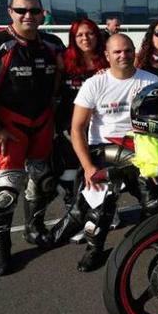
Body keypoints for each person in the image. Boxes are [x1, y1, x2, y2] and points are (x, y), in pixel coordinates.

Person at [0, 0, 64, 276]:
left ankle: (34, 228)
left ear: (43, 14)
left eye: (34, 11)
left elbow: (61, 84)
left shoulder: (52, 45)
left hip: (42, 121)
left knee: (42, 182)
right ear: (10, 12)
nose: (28, 16)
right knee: (7, 189)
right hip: (8, 126)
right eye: (21, 10)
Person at [64, 34, 158, 271]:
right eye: (117, 52)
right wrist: (88, 167)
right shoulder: (94, 84)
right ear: (107, 55)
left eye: (128, 50)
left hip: (141, 149)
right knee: (100, 207)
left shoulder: (151, 81)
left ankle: (145, 239)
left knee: (156, 202)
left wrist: (156, 161)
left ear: (134, 52)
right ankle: (94, 248)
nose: (123, 55)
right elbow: (77, 128)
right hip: (102, 150)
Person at [54, 19, 107, 211]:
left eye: (90, 33)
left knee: (98, 168)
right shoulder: (63, 59)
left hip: (99, 124)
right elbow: (54, 92)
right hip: (69, 123)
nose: (85, 38)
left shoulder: (107, 58)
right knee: (71, 169)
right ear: (73, 38)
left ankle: (103, 208)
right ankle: (72, 208)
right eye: (80, 35)